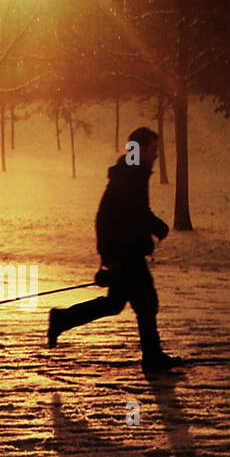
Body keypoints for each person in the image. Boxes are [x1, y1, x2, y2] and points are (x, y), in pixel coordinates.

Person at [47, 126, 183, 378]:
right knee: (146, 303)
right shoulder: (129, 177)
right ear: (139, 150)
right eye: (153, 149)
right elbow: (114, 216)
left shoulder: (133, 174)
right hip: (126, 253)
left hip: (125, 252)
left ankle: (62, 319)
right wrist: (112, 255)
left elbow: (129, 212)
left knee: (114, 304)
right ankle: (152, 359)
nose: (156, 155)